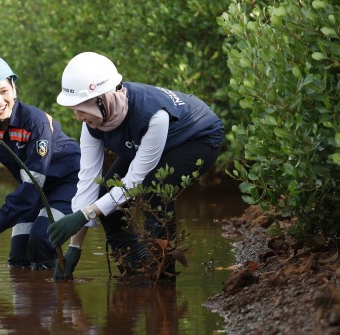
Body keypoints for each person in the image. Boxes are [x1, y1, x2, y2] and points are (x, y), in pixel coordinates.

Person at [48, 51, 224, 279]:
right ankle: (135, 269)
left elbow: (134, 182)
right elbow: (88, 183)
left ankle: (162, 275)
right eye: (74, 110)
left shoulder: (153, 115)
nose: (78, 117)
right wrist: (75, 246)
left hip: (198, 138)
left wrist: (85, 214)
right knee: (106, 195)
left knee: (154, 190)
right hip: (148, 142)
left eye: (81, 108)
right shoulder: (91, 123)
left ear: (103, 98)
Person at [0, 54, 81, 271]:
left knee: (41, 239)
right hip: (32, 190)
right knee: (19, 255)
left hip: (66, 183)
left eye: (4, 91)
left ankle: (57, 296)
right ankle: (29, 301)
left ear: (14, 88)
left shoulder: (35, 122)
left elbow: (32, 186)